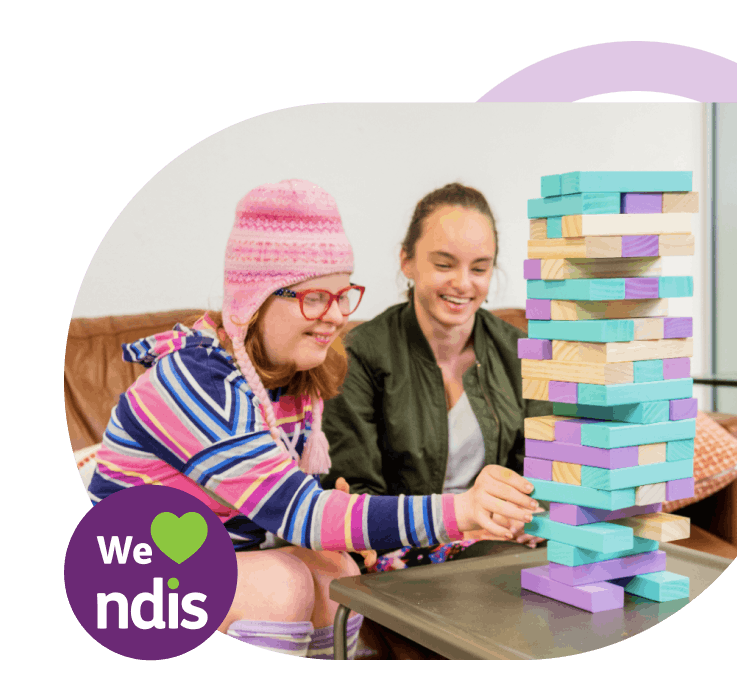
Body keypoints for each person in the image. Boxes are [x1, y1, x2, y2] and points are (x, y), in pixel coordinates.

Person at [85, 180, 540, 659]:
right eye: (313, 297)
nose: (335, 316)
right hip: (126, 576)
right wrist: (461, 512)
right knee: (282, 585)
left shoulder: (294, 379)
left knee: (334, 574)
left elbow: (298, 508)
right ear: (253, 299)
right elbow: (303, 513)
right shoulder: (199, 382)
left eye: (342, 295)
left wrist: (339, 524)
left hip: (216, 558)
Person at [322, 183, 551, 572]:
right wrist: (462, 524)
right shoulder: (358, 354)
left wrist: (519, 515)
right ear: (407, 261)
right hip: (402, 544)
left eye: (479, 268)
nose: (463, 283)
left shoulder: (521, 350)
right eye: (444, 264)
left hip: (501, 539)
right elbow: (356, 497)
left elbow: (543, 469)